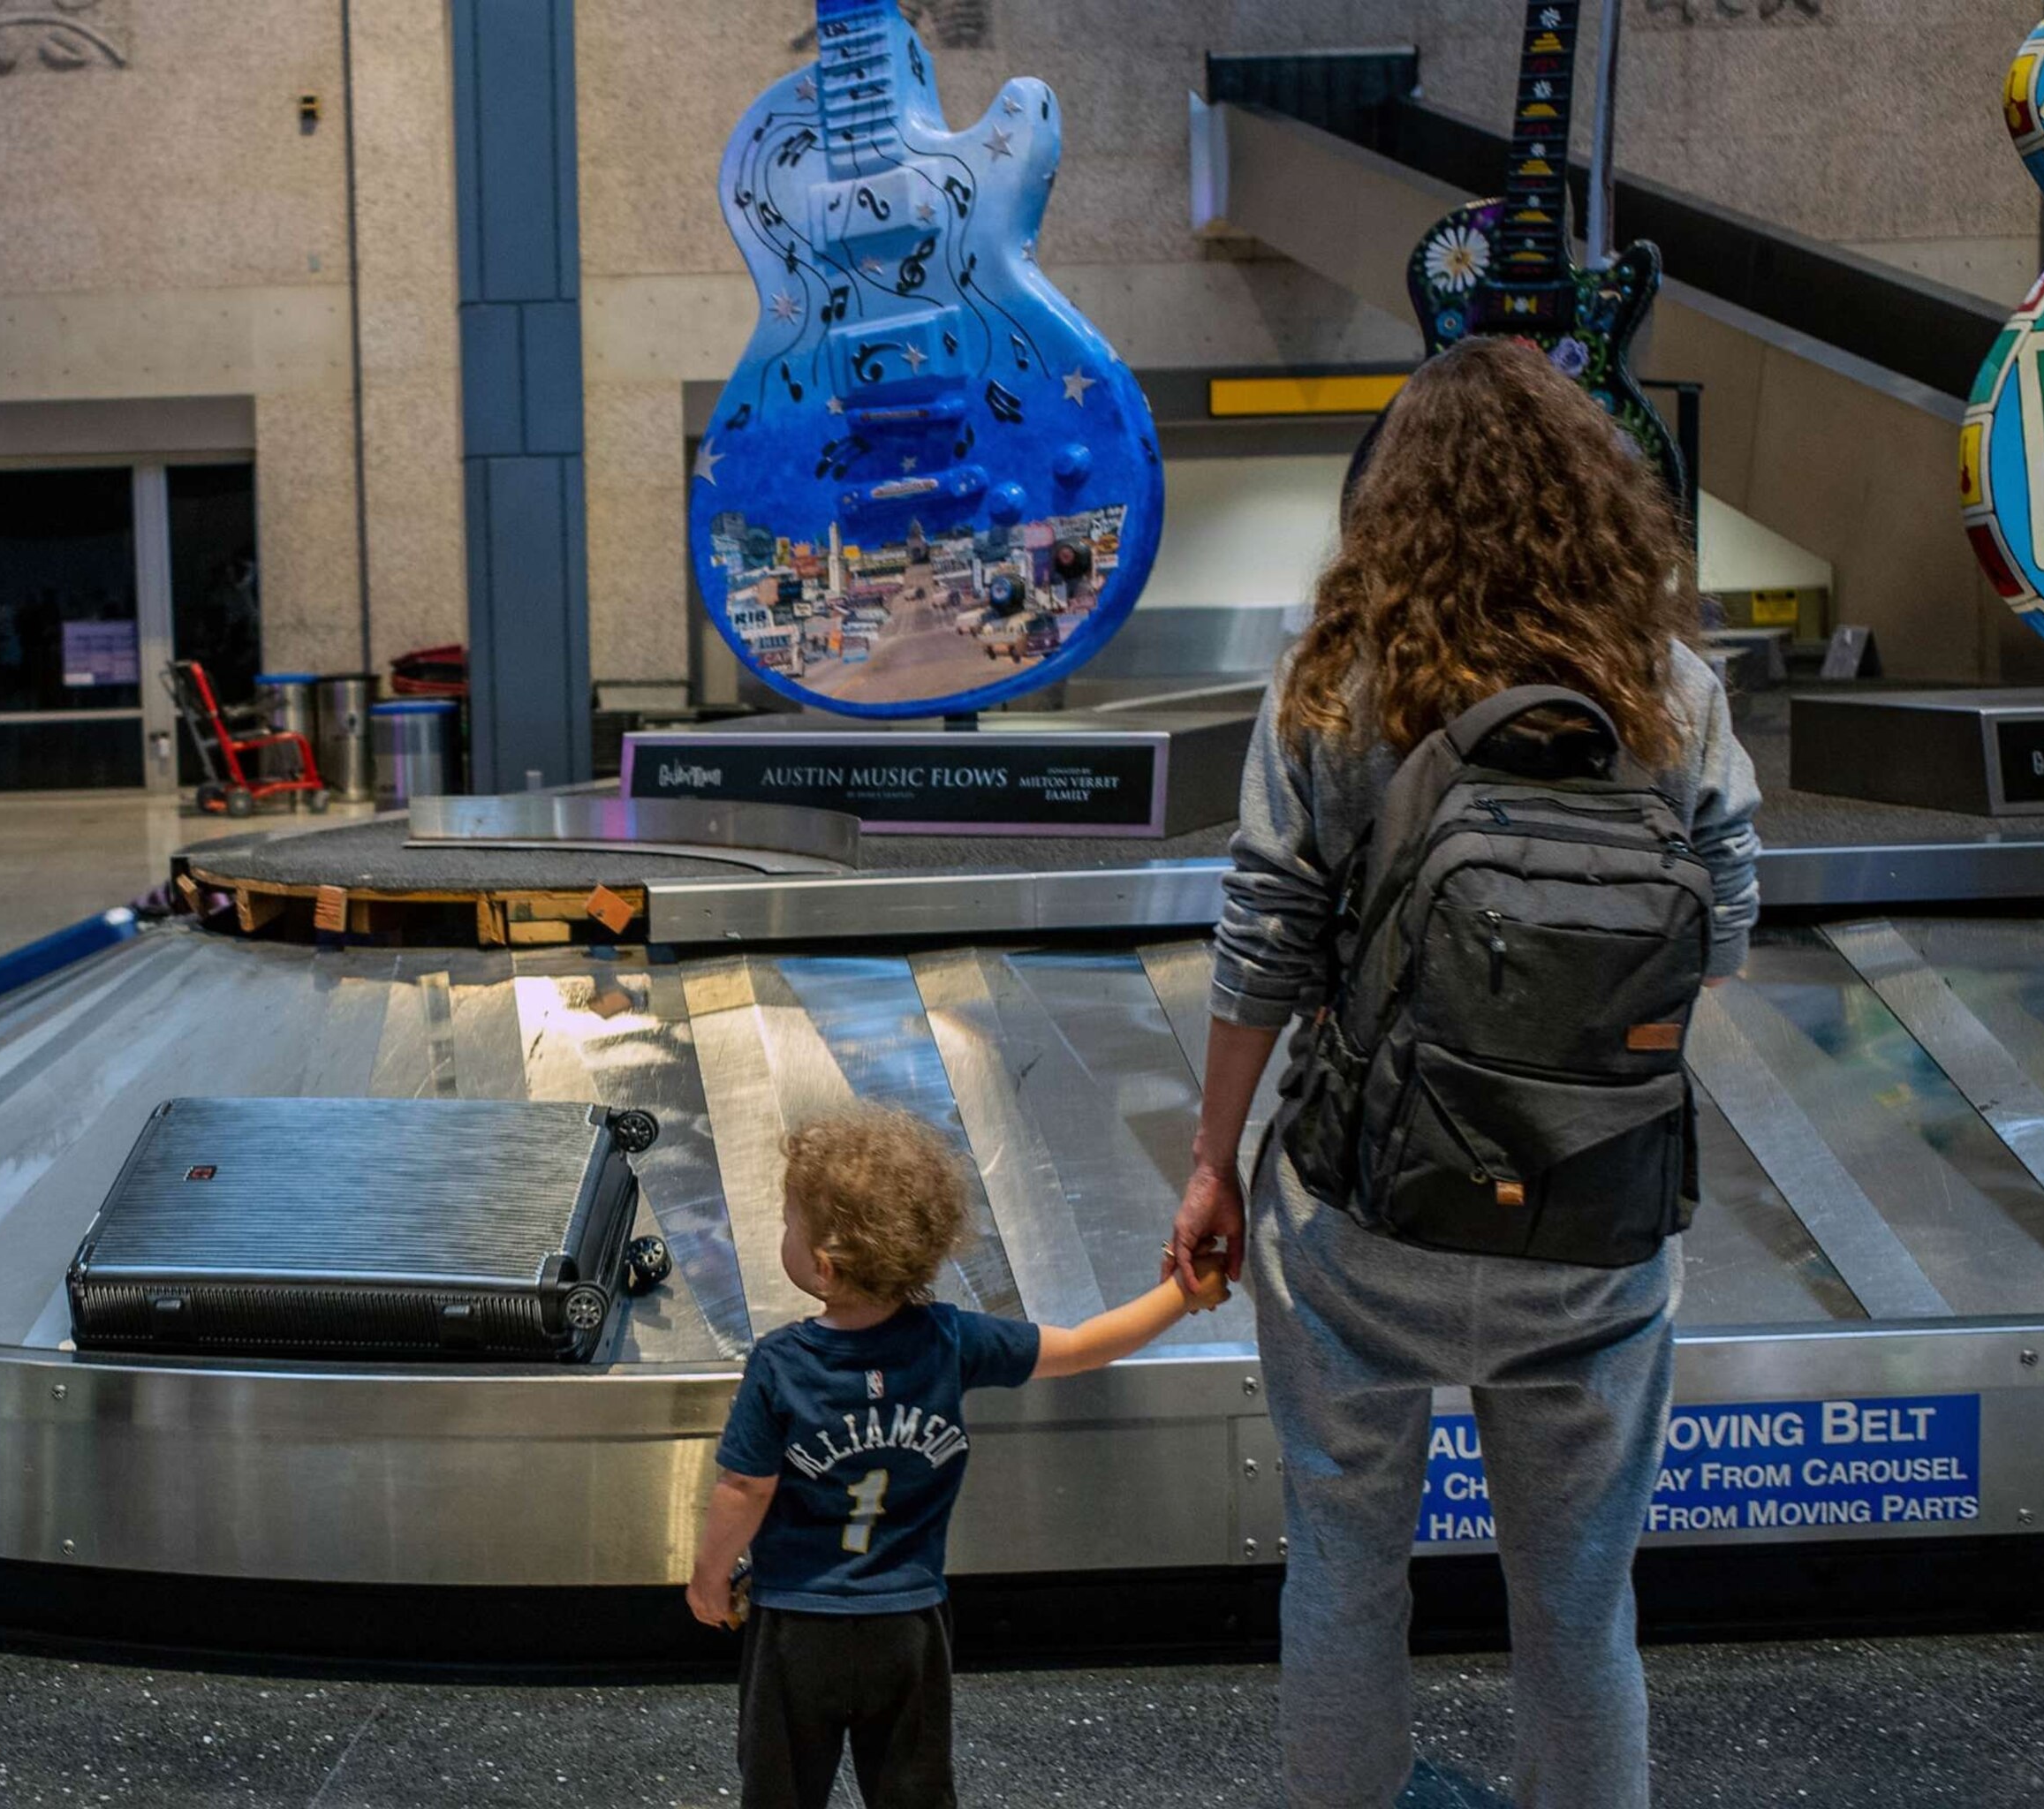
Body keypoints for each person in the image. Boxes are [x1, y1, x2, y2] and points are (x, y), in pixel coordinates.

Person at [1166, 336, 1761, 1809]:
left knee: (1348, 1572)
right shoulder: (1670, 691)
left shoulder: (1335, 687)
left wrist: (1209, 1161)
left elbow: (1264, 941)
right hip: (1595, 1223)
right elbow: (1724, 929)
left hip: (1366, 1214)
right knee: (1577, 1603)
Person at [690, 1105, 1231, 1809]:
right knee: (913, 1792)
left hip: (798, 1627)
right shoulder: (949, 1341)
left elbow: (746, 1488)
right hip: (909, 1627)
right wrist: (1181, 1295)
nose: (783, 1234)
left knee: (782, 1793)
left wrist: (707, 1579)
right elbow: (1084, 1346)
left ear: (823, 1266)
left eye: (789, 1223)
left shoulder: (781, 1364)